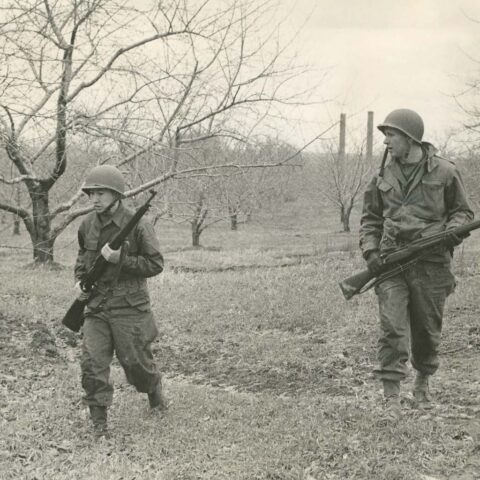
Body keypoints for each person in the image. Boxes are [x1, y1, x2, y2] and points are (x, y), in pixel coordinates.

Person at [359, 108, 473, 420]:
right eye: (384, 136)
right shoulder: (383, 175)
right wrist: (371, 252)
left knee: (426, 330)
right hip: (392, 261)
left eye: (391, 135)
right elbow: (370, 219)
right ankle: (391, 398)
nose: (386, 142)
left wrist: (450, 233)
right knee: (392, 328)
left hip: (431, 264)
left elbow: (463, 213)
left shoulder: (445, 172)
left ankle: (422, 384)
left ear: (410, 138)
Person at [74, 165, 167, 437]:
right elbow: (83, 259)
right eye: (91, 194)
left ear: (116, 194)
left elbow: (155, 264)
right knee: (92, 363)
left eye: (100, 193)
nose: (94, 199)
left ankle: (154, 390)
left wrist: (121, 260)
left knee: (136, 363)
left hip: (130, 306)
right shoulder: (87, 224)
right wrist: (80, 281)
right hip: (97, 306)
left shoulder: (138, 224)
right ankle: (99, 424)